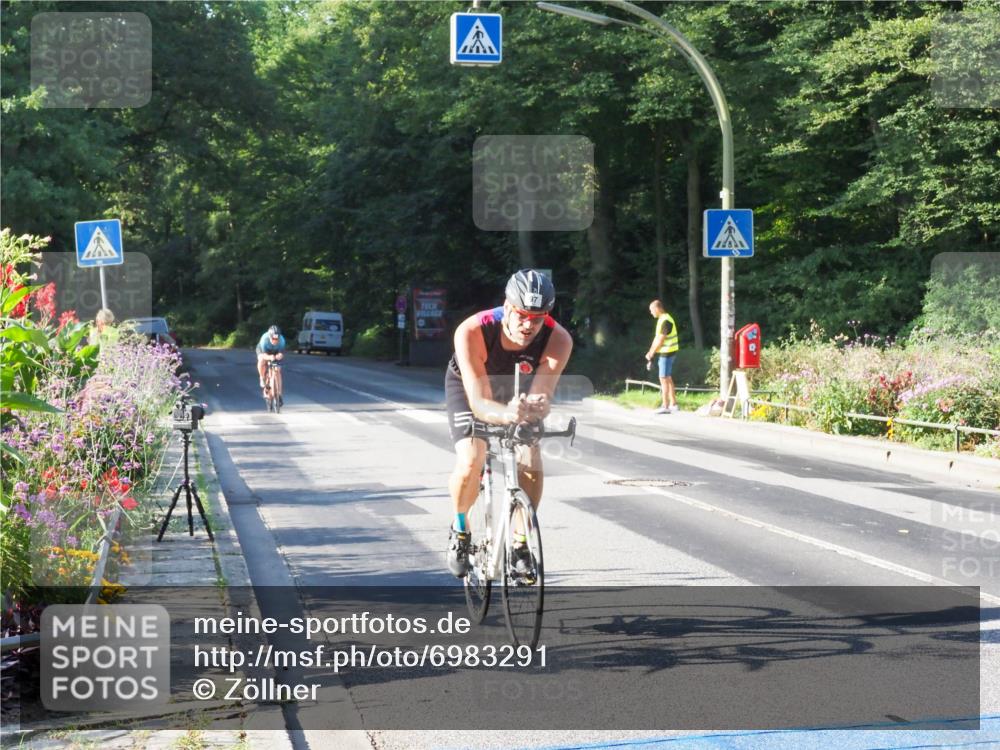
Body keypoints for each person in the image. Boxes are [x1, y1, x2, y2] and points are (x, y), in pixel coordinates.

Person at [445, 269, 573, 578]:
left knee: (530, 457)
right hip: (471, 388)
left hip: (517, 389)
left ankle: (520, 544)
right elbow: (479, 403)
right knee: (471, 459)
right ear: (506, 306)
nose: (529, 325)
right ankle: (460, 529)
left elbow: (543, 393)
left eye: (538, 318)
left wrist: (537, 407)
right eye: (522, 315)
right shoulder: (472, 330)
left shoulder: (558, 339)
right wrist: (506, 415)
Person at [645, 299, 679, 414]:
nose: (651, 313)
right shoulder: (662, 319)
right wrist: (650, 351)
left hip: (667, 352)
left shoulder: (665, 320)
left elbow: (660, 340)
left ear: (657, 308)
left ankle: (665, 405)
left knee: (663, 378)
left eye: (651, 310)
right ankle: (674, 404)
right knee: (667, 377)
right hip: (668, 352)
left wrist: (652, 353)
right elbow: (656, 338)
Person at [256, 325, 285, 405]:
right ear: (269, 336)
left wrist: (279, 356)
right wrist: (269, 357)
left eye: (277, 339)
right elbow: (264, 354)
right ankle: (262, 377)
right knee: (262, 360)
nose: (275, 341)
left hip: (275, 351)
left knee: (278, 370)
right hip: (264, 351)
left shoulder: (282, 340)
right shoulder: (264, 339)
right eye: (273, 339)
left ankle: (279, 394)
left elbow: (281, 353)